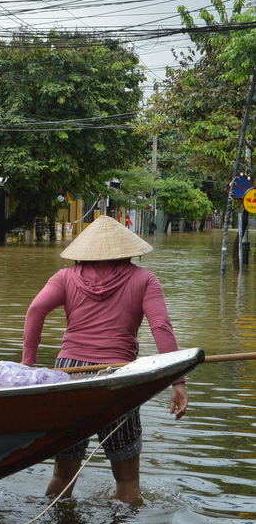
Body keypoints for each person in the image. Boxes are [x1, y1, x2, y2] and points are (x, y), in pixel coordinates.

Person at [22, 215, 189, 504]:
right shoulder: (144, 279)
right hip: (118, 378)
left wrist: (28, 365)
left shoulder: (65, 277)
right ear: (128, 250)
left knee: (63, 476)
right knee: (127, 479)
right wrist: (178, 380)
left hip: (69, 374)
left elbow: (36, 310)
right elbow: (161, 327)